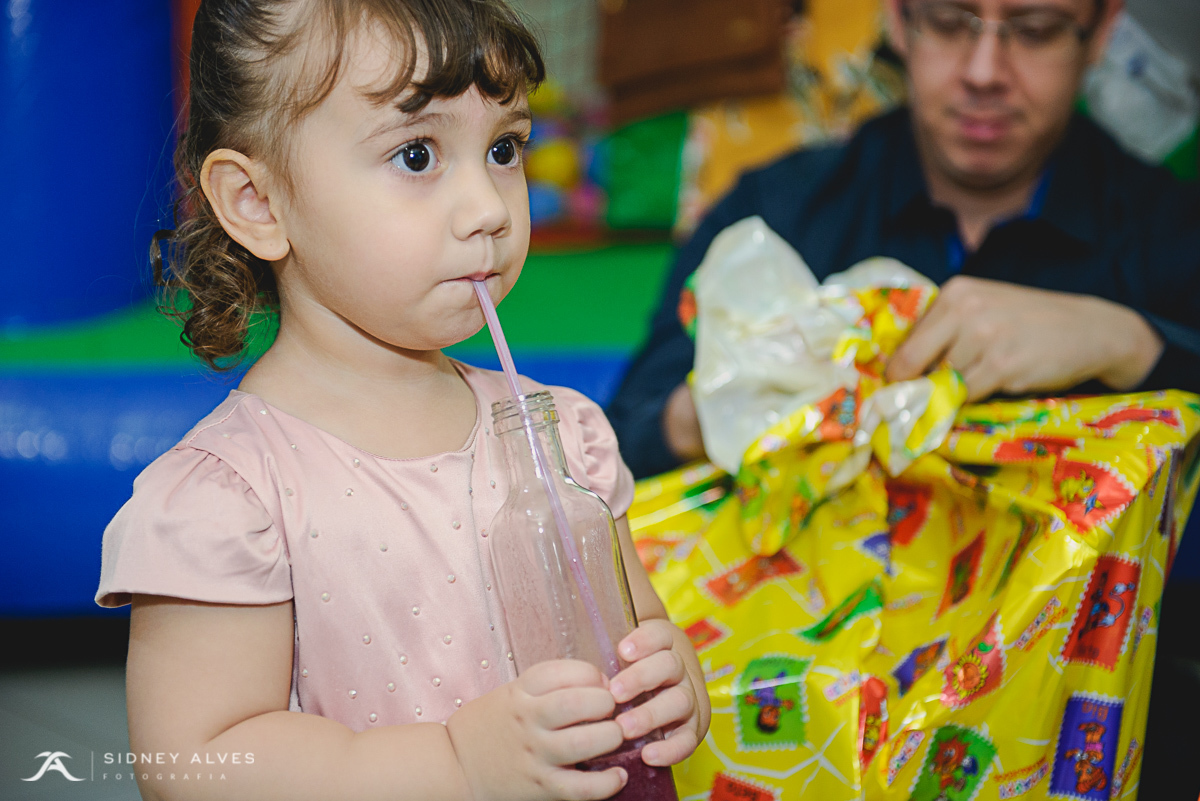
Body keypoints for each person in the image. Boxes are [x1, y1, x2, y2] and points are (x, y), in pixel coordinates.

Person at [95, 2, 708, 799]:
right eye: (417, 154)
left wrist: (669, 674)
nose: (490, 208)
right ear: (259, 201)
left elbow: (635, 631)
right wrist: (455, 763)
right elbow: (196, 766)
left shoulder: (566, 436)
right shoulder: (231, 499)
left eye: (503, 148)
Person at [608, 0, 1200, 480]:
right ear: (898, 19)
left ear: (1101, 34)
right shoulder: (772, 214)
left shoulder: (1171, 228)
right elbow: (621, 443)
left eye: (1037, 30)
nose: (984, 72)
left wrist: (1133, 345)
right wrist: (715, 409)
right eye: (948, 22)